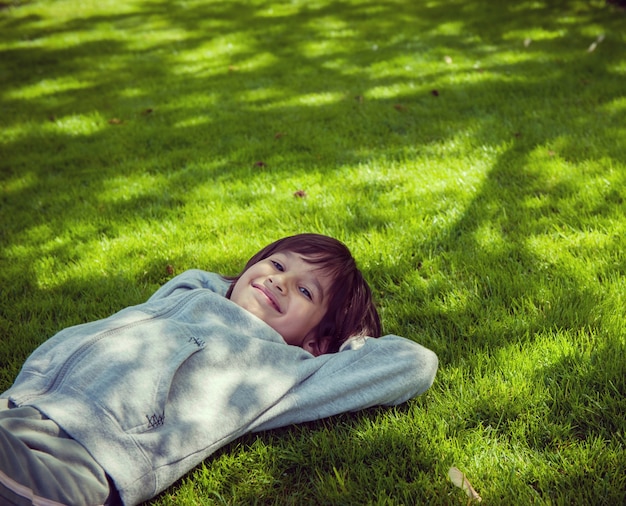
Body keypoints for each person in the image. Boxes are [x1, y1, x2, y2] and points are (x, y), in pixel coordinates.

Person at [0, 233, 438, 505]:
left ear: (315, 340)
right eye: (277, 264)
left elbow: (415, 363)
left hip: (86, 460)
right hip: (23, 407)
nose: (279, 280)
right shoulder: (193, 295)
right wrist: (231, 288)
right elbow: (196, 277)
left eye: (305, 290)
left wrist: (338, 344)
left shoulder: (287, 370)